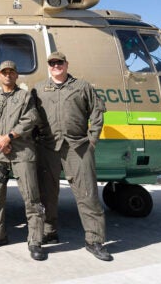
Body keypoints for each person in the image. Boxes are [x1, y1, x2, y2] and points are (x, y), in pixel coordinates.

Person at [33, 51, 112, 261]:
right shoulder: (39, 89)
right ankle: (48, 232)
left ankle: (94, 241)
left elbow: (97, 112)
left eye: (60, 62)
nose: (56, 66)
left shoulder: (82, 86)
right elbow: (31, 117)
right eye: (52, 63)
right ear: (48, 66)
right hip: (48, 147)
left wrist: (92, 140)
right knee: (46, 194)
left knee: (88, 194)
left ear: (67, 64)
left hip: (77, 146)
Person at [0, 61, 47, 261]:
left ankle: (35, 241)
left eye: (12, 72)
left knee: (31, 198)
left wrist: (8, 137)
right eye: (4, 72)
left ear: (16, 75)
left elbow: (30, 119)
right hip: (0, 153)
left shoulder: (25, 96)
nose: (8, 75)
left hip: (22, 153)